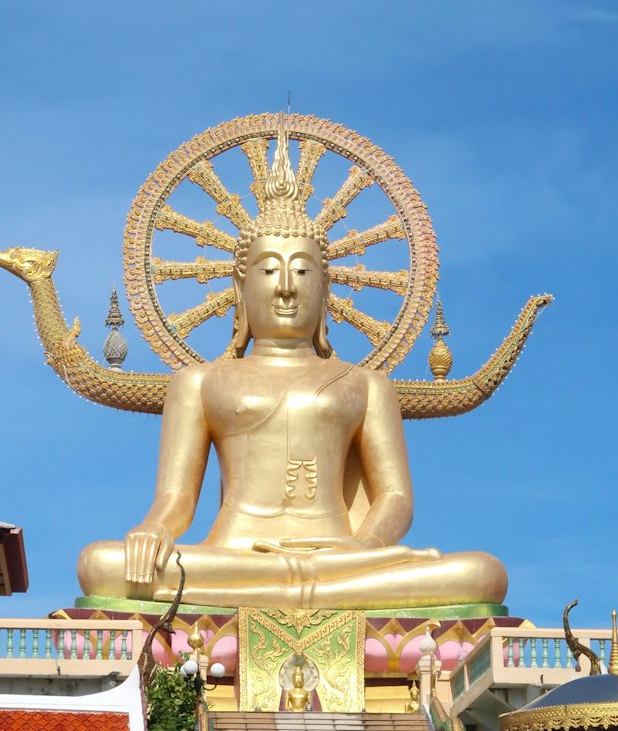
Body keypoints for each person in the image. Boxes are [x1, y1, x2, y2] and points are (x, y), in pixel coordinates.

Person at [78, 130, 507, 612]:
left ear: (326, 287)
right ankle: (306, 592)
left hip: (342, 558)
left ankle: (305, 588)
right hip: (232, 556)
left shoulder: (366, 384)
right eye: (268, 271)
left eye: (302, 271)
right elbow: (176, 498)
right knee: (102, 565)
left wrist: (363, 547)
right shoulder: (198, 382)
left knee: (483, 574)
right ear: (240, 285)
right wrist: (153, 530)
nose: (285, 287)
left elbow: (396, 500)